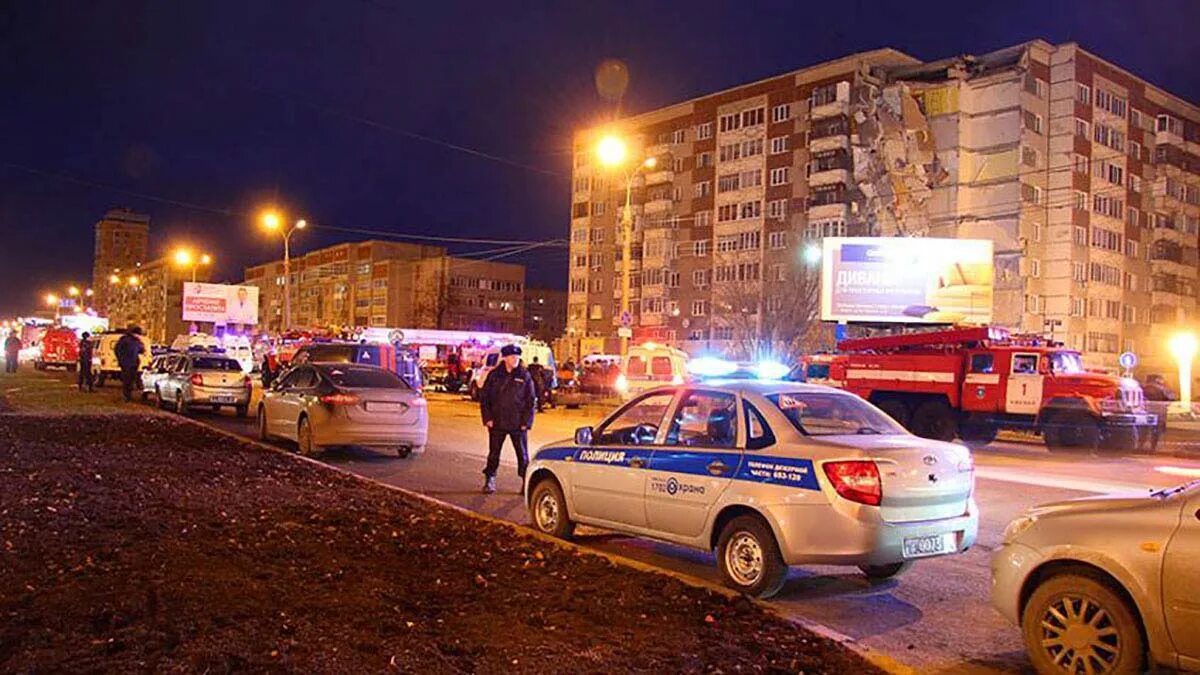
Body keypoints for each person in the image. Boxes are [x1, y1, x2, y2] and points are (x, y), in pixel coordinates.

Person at [479, 344, 536, 494]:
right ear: (504, 358)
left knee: (522, 455)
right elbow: (485, 398)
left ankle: (526, 482)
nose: (515, 359)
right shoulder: (494, 375)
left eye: (517, 357)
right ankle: (490, 478)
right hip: (497, 421)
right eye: (512, 357)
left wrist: (526, 422)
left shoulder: (524, 375)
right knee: (494, 453)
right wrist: (488, 418)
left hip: (518, 423)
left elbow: (530, 400)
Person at [114, 326, 145, 402]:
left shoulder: (134, 340)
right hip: (127, 363)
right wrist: (121, 359)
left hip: (133, 363)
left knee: (130, 380)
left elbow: (141, 350)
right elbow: (117, 350)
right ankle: (126, 396)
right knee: (127, 380)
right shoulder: (126, 340)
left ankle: (128, 395)